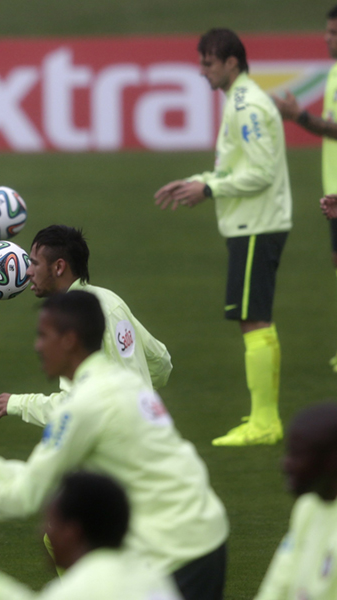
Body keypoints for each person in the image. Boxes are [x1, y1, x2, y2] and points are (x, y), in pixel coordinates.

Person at [0, 291, 228, 600]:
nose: (37, 346)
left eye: (43, 335)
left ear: (70, 340)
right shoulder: (123, 382)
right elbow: (45, 480)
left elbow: (24, 497)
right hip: (203, 535)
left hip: (175, 554)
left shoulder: (84, 406)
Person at [154, 28, 291, 447]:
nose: (201, 71)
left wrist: (209, 189)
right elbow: (238, 167)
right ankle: (263, 414)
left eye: (207, 63)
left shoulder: (247, 106)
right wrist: (199, 180)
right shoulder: (240, 99)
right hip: (253, 222)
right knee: (253, 317)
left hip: (257, 224)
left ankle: (266, 421)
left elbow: (262, 173)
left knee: (255, 318)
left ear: (232, 62)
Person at [0, 225, 171, 426]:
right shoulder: (110, 300)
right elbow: (161, 361)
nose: (28, 272)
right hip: (146, 430)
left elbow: (74, 408)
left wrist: (18, 403)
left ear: (58, 267)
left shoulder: (73, 319)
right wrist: (138, 394)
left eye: (34, 263)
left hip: (117, 439)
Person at [0, 472, 183, 600]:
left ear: (72, 532)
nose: (42, 531)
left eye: (51, 522)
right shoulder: (147, 572)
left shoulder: (89, 585)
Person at [272, 5, 337, 371]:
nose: (327, 37)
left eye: (334, 32)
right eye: (327, 31)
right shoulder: (333, 74)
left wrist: (299, 117)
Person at [254, 402, 337, 600]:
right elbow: (280, 580)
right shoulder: (308, 506)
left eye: (298, 454)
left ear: (332, 461)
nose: (285, 463)